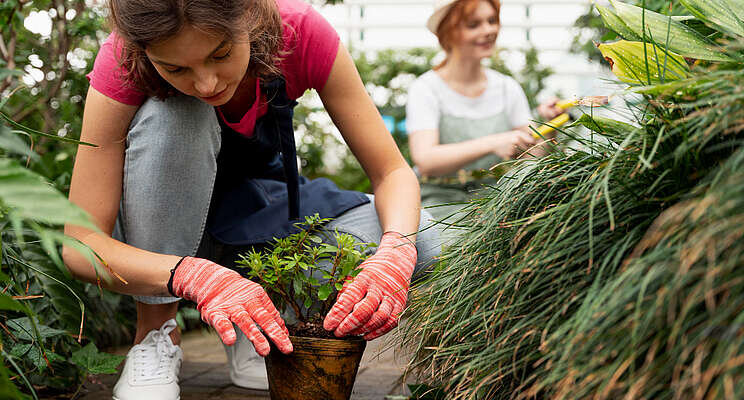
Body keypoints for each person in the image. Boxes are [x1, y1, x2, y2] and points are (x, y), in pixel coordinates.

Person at [62, 0, 439, 398]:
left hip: (255, 214)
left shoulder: (299, 32)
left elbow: (392, 173)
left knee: (426, 238)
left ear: (251, 17)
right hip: (156, 233)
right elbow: (81, 244)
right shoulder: (124, 58)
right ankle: (156, 334)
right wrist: (193, 276)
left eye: (220, 53)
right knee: (177, 115)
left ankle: (261, 323)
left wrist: (396, 251)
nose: (207, 84)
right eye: (175, 68)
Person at [406, 0, 562, 240]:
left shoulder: (506, 88)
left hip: (498, 200)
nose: (489, 30)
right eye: (474, 24)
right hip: (439, 206)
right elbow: (426, 159)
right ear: (449, 32)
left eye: (492, 21)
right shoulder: (426, 89)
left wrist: (550, 125)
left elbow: (532, 157)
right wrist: (493, 142)